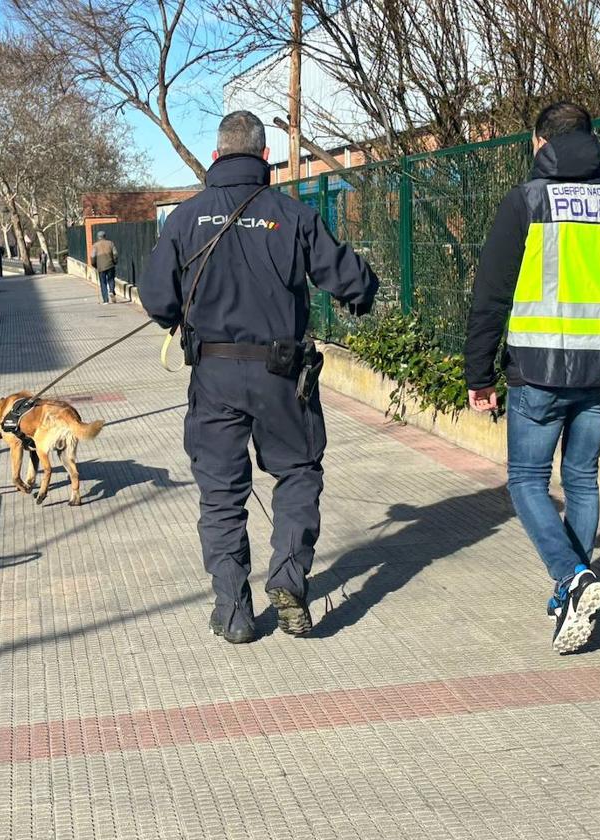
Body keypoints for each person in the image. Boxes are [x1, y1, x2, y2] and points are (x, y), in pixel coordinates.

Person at [140, 111, 378, 644]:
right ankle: (289, 578)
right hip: (282, 373)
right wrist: (364, 289)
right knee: (297, 473)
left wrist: (181, 311)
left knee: (222, 493)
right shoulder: (292, 215)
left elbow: (156, 298)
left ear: (218, 155)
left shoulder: (184, 218)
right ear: (265, 157)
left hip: (214, 373)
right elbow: (347, 279)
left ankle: (233, 611)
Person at [464, 101, 600, 654]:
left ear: (539, 143)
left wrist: (477, 372)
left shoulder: (527, 201)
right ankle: (570, 597)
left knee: (527, 481)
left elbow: (490, 296)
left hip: (538, 372)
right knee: (580, 479)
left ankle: (573, 578)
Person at [90, 230, 119, 303]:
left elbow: (93, 256)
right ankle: (111, 291)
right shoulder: (110, 243)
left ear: (98, 237)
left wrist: (94, 264)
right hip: (110, 265)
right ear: (105, 236)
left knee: (103, 283)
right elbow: (115, 253)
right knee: (111, 279)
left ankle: (105, 300)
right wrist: (115, 261)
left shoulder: (95, 245)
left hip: (100, 267)